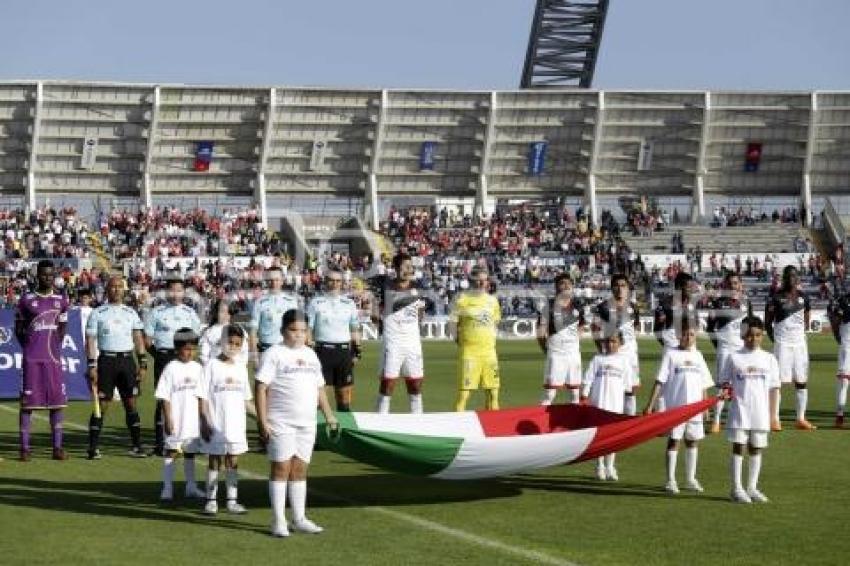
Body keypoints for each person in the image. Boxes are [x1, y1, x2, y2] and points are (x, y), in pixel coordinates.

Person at [255, 309, 338, 537]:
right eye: (293, 330)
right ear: (283, 331)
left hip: (307, 423)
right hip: (280, 422)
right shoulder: (273, 353)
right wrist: (262, 421)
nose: (298, 335)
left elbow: (319, 388)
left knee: (300, 469)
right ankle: (278, 520)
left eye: (302, 331)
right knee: (281, 468)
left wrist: (329, 415)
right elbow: (261, 388)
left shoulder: (311, 355)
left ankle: (299, 518)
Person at [644, 321, 714, 494]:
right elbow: (660, 380)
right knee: (674, 441)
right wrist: (650, 405)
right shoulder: (671, 354)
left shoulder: (698, 356)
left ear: (695, 336)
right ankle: (671, 480)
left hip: (695, 408)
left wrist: (705, 408)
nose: (688, 338)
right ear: (678, 335)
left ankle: (690, 479)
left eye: (691, 334)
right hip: (675, 407)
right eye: (685, 334)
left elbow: (704, 384)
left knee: (692, 442)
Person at [85, 276, 149, 459]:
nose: (116, 290)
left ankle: (137, 447)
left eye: (120, 287)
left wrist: (143, 362)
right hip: (106, 361)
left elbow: (138, 338)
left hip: (127, 361)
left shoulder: (131, 313)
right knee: (102, 405)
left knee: (131, 403)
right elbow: (90, 340)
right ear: (107, 290)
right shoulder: (98, 313)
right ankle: (93, 448)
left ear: (124, 290)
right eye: (113, 287)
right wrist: (92, 365)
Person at [718, 317, 780, 504]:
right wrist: (726, 392)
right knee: (739, 447)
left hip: (760, 412)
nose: (753, 339)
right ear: (743, 335)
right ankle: (736, 488)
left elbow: (774, 388)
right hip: (740, 410)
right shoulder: (734, 357)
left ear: (762, 336)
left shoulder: (769, 358)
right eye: (750, 335)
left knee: (756, 448)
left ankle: (752, 487)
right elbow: (724, 384)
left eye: (758, 335)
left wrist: (773, 415)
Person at [16, 259, 70, 461]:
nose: (48, 278)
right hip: (32, 358)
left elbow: (63, 326)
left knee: (57, 403)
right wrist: (30, 346)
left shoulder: (61, 300)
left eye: (51, 274)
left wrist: (55, 345)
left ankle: (57, 448)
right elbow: (18, 329)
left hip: (53, 358)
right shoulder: (26, 300)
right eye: (44, 274)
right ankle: (25, 449)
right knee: (28, 404)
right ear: (37, 275)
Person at [198, 324, 252, 515]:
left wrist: (264, 419)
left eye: (238, 344)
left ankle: (232, 501)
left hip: (236, 425)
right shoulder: (211, 365)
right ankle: (211, 501)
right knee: (215, 461)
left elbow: (247, 400)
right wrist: (204, 421)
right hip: (216, 424)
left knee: (233, 461)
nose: (233, 347)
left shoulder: (241, 368)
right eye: (230, 342)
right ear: (222, 341)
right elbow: (202, 395)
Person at [145, 276, 202, 456]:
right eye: (172, 290)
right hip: (164, 357)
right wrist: (160, 356)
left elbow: (196, 339)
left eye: (179, 290)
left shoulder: (190, 313)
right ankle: (160, 443)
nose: (175, 293)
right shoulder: (156, 312)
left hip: (186, 359)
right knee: (163, 400)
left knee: (189, 398)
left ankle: (190, 438)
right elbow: (147, 340)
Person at [154, 327, 205, 502]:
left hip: (192, 420)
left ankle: (191, 486)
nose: (190, 352)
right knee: (172, 452)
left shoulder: (198, 368)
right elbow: (164, 397)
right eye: (187, 349)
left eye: (193, 349)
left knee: (190, 452)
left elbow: (202, 396)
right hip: (175, 419)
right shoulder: (171, 368)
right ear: (177, 349)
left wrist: (203, 418)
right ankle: (167, 487)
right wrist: (168, 418)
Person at [373, 253, 428, 414]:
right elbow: (374, 312)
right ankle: (380, 423)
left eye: (410, 266)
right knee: (388, 384)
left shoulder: (419, 288)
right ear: (396, 268)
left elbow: (420, 313)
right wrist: (382, 325)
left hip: (412, 343)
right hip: (393, 343)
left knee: (416, 385)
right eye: (405, 266)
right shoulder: (385, 286)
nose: (409, 269)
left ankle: (418, 423)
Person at [764, 265, 815, 431]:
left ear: (798, 278)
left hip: (800, 344)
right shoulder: (775, 298)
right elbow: (767, 323)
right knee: (778, 382)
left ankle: (801, 418)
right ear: (784, 278)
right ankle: (775, 419)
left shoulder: (804, 297)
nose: (792, 279)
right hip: (783, 344)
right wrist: (776, 340)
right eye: (789, 276)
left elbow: (806, 318)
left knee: (801, 381)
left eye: (795, 276)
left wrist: (800, 333)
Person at [582, 331, 637, 481]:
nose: (610, 345)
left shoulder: (624, 361)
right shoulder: (597, 359)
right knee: (599, 436)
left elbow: (628, 387)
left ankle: (610, 466)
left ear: (620, 343)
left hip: (615, 405)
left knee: (613, 438)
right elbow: (588, 379)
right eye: (608, 342)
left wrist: (628, 409)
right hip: (598, 403)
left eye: (614, 341)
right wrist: (585, 396)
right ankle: (599, 466)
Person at [305, 270, 362, 412]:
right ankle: (315, 432)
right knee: (317, 397)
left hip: (343, 353)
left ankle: (343, 430)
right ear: (325, 281)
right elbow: (308, 329)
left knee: (344, 397)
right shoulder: (315, 302)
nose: (335, 284)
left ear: (342, 283)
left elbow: (354, 330)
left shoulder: (349, 303)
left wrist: (357, 351)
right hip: (321, 352)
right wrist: (308, 349)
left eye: (338, 281)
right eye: (331, 280)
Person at [449, 267, 501, 411]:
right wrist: (461, 342)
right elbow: (453, 324)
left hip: (489, 353)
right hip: (470, 353)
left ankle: (492, 428)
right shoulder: (462, 299)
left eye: (483, 280)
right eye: (478, 280)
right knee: (464, 395)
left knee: (493, 394)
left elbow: (495, 322)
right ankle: (456, 427)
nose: (480, 283)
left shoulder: (493, 301)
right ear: (472, 280)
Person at [706, 272, 752, 433]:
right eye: (730, 283)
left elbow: (750, 326)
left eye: (736, 283)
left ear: (741, 285)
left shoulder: (747, 302)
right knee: (722, 386)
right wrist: (719, 345)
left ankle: (736, 419)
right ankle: (716, 420)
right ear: (725, 286)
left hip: (742, 350)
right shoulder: (718, 303)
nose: (733, 286)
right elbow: (710, 329)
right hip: (725, 350)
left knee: (742, 385)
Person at [591, 273, 641, 415]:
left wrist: (630, 343)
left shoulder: (634, 307)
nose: (620, 289)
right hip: (612, 353)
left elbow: (636, 327)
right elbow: (595, 328)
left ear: (628, 288)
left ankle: (629, 423)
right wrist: (601, 348)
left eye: (623, 286)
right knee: (613, 388)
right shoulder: (603, 307)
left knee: (631, 390)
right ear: (612, 288)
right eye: (616, 286)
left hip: (630, 353)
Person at [652, 271, 700, 412]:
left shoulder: (692, 304)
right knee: (665, 379)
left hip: (690, 345)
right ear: (678, 286)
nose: (691, 289)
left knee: (690, 376)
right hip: (671, 344)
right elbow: (657, 329)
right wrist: (668, 344)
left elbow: (695, 324)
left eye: (692, 286)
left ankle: (687, 410)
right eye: (687, 286)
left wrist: (691, 340)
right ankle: (660, 415)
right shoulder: (666, 302)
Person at [536, 273, 586, 405]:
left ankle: (573, 423)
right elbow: (541, 333)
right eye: (562, 283)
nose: (566, 285)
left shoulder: (578, 305)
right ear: (556, 286)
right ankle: (541, 423)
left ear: (572, 286)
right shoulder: (548, 307)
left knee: (575, 393)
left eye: (568, 283)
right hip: (556, 354)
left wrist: (576, 342)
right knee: (549, 394)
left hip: (573, 354)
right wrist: (546, 349)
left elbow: (581, 326)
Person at [249, 266, 300, 365]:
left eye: (277, 280)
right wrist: (254, 356)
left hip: (287, 351)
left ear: (282, 281)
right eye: (270, 280)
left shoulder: (291, 302)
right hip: (266, 350)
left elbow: (296, 328)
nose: (274, 283)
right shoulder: (259, 302)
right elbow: (253, 331)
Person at [199, 299, 248, 367]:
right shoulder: (209, 332)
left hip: (234, 368)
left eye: (228, 312)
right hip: (215, 369)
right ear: (216, 313)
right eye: (222, 311)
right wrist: (210, 367)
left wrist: (239, 366)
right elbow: (204, 355)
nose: (225, 314)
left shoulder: (238, 330)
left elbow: (244, 352)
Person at [827, 286, 850, 428]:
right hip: (848, 346)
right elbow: (835, 321)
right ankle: (839, 416)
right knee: (844, 382)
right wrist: (838, 338)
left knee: (844, 382)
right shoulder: (844, 300)